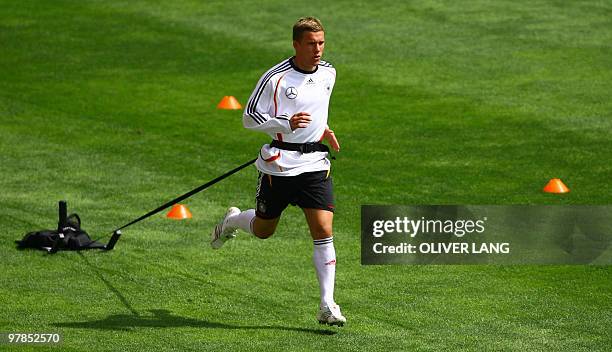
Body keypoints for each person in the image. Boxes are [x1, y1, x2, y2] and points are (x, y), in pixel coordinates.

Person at [210, 17, 346, 326]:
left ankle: (327, 303)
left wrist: (323, 129)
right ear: (296, 44)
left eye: (321, 43)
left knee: (323, 230)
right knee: (264, 230)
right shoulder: (276, 78)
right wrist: (284, 124)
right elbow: (249, 118)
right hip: (279, 166)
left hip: (315, 164)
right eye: (311, 44)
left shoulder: (329, 73)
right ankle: (233, 220)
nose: (318, 49)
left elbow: (316, 109)